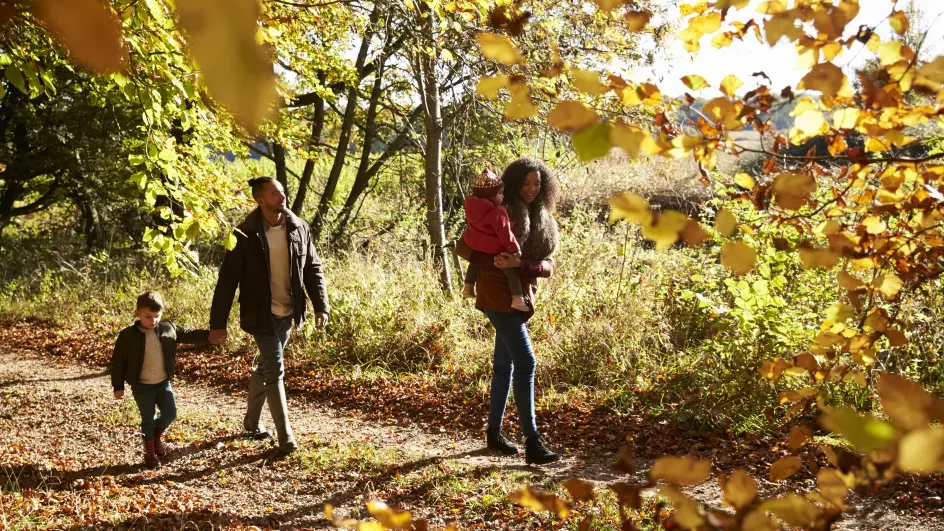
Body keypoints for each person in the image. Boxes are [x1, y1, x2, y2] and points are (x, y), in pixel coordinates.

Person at [209, 177, 330, 456]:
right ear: (260, 200)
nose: (282, 197)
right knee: (275, 369)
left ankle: (251, 423)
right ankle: (285, 436)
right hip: (260, 313)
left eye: (283, 192)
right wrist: (218, 324)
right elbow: (227, 281)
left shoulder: (299, 227)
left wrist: (320, 306)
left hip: (288, 312)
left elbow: (313, 268)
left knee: (265, 367)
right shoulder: (243, 234)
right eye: (275, 194)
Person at [456, 158, 561, 465]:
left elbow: (549, 268)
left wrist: (522, 265)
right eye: (526, 183)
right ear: (514, 183)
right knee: (526, 361)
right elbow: (463, 248)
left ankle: (494, 433)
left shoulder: (545, 218)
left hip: (522, 296)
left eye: (537, 184)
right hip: (495, 292)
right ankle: (533, 441)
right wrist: (498, 263)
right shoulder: (497, 210)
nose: (531, 189)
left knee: (505, 366)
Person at [111, 290, 213, 468]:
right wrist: (118, 385)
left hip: (163, 383)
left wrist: (209, 335)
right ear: (138, 313)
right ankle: (149, 452)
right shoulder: (127, 336)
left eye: (156, 316)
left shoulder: (168, 328)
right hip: (142, 387)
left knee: (170, 413)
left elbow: (188, 334)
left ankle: (155, 437)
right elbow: (118, 361)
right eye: (147, 316)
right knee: (148, 419)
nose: (153, 321)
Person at [461, 167, 528, 312]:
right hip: (492, 246)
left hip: (475, 244)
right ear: (490, 196)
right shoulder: (498, 211)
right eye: (499, 194)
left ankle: (468, 287)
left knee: (474, 262)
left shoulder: (472, 208)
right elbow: (505, 234)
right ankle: (517, 298)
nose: (502, 197)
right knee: (510, 269)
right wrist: (515, 250)